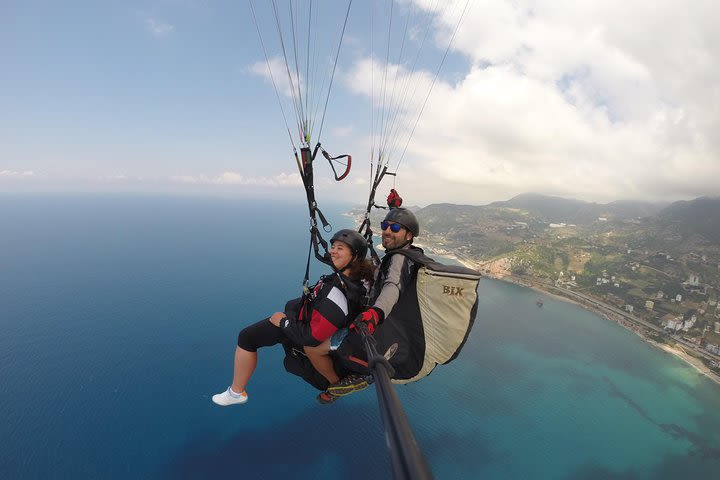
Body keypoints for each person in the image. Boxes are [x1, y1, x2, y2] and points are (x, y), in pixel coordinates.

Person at [211, 229, 374, 406]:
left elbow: (311, 338)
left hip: (300, 325)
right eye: (333, 247)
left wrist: (283, 322)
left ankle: (236, 393)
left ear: (355, 257)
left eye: (339, 248)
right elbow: (334, 258)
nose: (332, 251)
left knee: (247, 337)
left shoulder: (337, 296)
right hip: (305, 318)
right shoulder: (357, 276)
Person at [305, 207, 420, 403]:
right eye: (385, 225)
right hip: (388, 326)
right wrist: (395, 208)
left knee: (312, 349)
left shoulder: (401, 258)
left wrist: (376, 313)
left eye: (394, 228)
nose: (387, 231)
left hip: (378, 326)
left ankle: (340, 385)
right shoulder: (407, 254)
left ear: (409, 235)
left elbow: (393, 286)